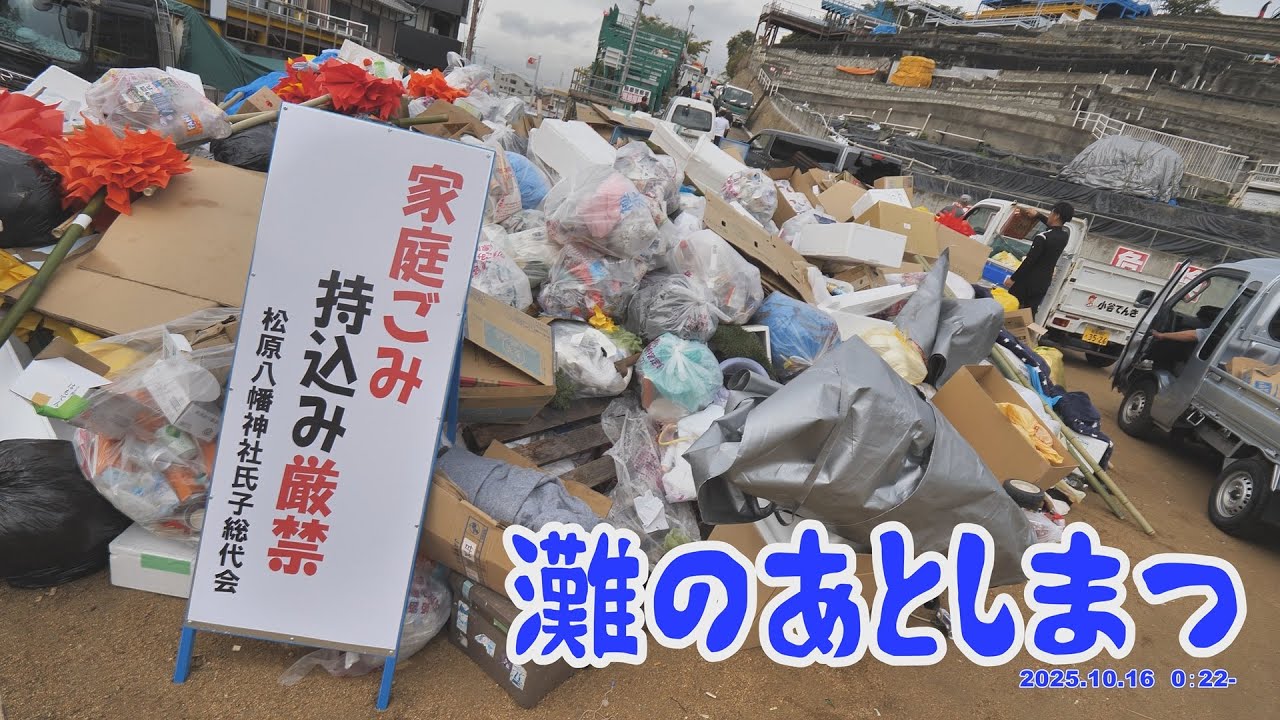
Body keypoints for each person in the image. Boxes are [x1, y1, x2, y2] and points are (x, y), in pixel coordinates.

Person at [1002, 201, 1073, 315]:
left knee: (1011, 308)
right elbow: (1054, 228)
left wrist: (1013, 279)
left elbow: (1029, 261)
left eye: (1051, 213)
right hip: (1043, 282)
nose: (1049, 215)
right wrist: (1038, 215)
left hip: (1027, 281)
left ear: (1057, 215)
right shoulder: (1064, 236)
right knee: (1029, 314)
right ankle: (1028, 332)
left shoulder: (1042, 237)